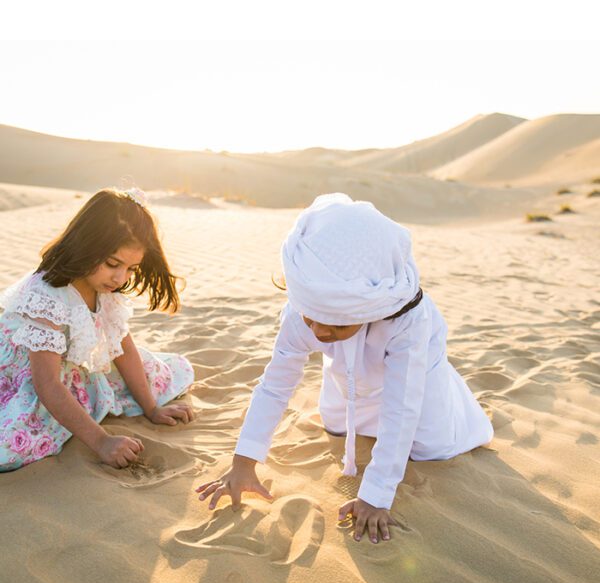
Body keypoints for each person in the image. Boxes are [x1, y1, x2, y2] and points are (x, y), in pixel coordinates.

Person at [196, 192, 493, 544]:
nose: (319, 332)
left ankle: (452, 402)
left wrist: (375, 496)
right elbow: (275, 385)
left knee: (432, 446)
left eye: (336, 325)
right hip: (348, 381)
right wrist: (243, 462)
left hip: (416, 382)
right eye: (311, 318)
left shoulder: (408, 321)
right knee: (336, 424)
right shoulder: (304, 308)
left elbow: (402, 406)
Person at [0, 188, 194, 471]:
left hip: (74, 369)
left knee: (160, 374)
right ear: (86, 246)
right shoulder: (47, 295)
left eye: (132, 269)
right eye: (113, 264)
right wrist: (102, 442)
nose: (121, 277)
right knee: (13, 444)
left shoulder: (104, 288)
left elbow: (123, 347)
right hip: (31, 376)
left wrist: (152, 408)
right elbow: (46, 384)